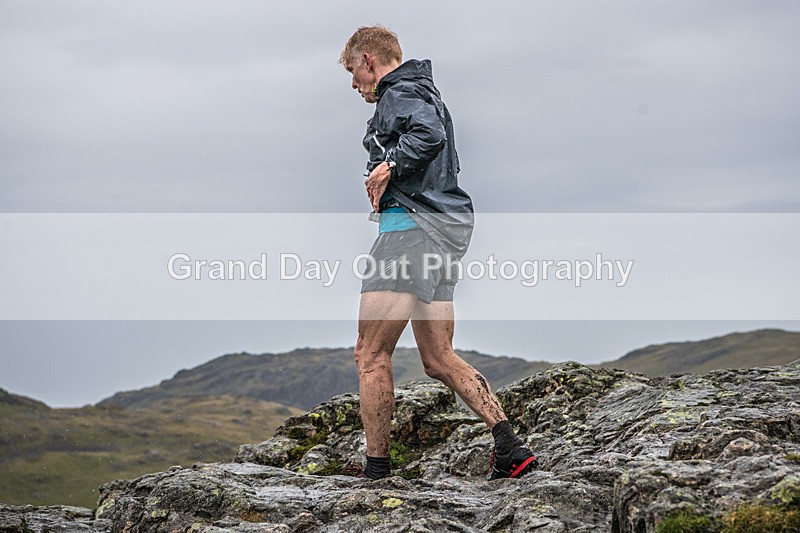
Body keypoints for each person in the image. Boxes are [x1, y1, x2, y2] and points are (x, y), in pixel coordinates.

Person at [339, 25, 538, 480]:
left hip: (409, 231)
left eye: (353, 71)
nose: (354, 84)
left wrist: (388, 165)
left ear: (368, 59)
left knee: (370, 355)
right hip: (443, 232)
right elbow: (431, 136)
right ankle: (510, 446)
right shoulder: (427, 92)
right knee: (438, 357)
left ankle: (376, 470)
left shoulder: (398, 92)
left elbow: (427, 135)